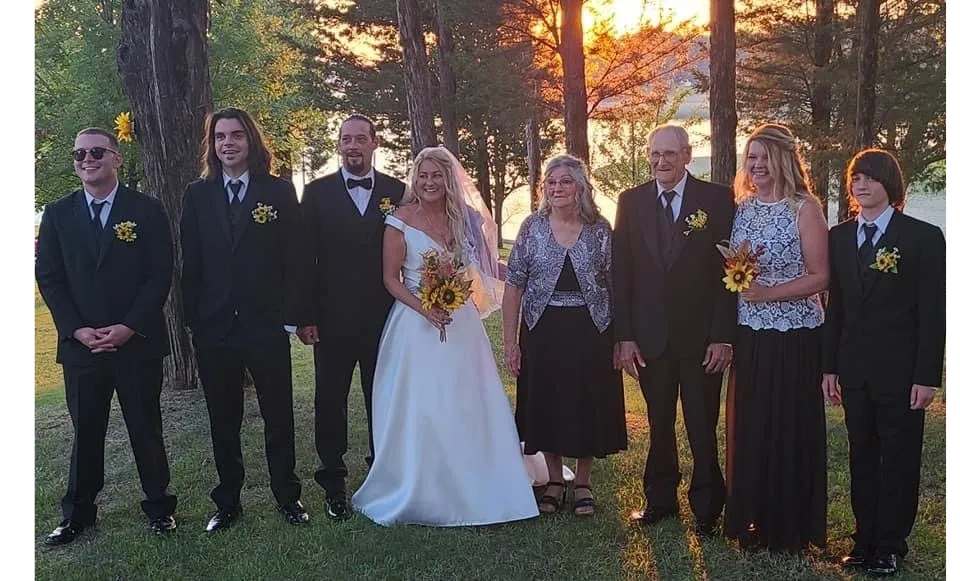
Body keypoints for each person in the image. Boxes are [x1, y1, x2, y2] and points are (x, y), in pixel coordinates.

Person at [351, 146, 539, 526]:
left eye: (437, 175)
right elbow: (391, 278)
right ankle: (424, 482)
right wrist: (425, 307)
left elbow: (480, 267)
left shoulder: (464, 219)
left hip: (461, 322)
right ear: (414, 180)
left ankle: (479, 474)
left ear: (448, 179)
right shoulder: (399, 221)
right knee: (425, 401)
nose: (429, 183)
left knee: (468, 397)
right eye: (423, 176)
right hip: (415, 324)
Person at [35, 127, 178, 544]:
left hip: (136, 342)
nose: (87, 160)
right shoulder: (58, 214)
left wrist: (128, 326)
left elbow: (159, 275)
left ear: (116, 158)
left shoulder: (147, 210)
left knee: (145, 427)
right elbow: (50, 278)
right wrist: (77, 329)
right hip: (82, 347)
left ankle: (158, 508)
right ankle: (77, 514)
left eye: (96, 152)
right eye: (79, 155)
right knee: (87, 430)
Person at [180, 107, 308, 533]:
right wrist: (194, 320)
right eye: (220, 137)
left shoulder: (278, 191)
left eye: (236, 135)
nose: (228, 143)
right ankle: (228, 501)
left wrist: (292, 318)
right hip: (215, 329)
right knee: (223, 419)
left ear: (251, 141)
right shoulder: (197, 195)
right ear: (212, 145)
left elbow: (295, 260)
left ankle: (288, 496)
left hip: (265, 325)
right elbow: (191, 263)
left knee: (278, 416)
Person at [822, 149, 946, 575]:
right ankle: (864, 539)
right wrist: (829, 367)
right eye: (856, 177)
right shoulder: (838, 237)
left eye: (871, 178)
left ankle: (891, 544)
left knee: (899, 457)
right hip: (854, 371)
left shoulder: (923, 238)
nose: (862, 184)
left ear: (890, 185)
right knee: (861, 455)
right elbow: (834, 308)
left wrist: (927, 377)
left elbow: (933, 314)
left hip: (902, 373)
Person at [612, 123, 735, 536]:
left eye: (669, 154)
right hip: (650, 338)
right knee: (659, 421)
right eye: (654, 154)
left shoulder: (716, 199)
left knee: (702, 425)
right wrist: (624, 336)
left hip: (701, 339)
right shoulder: (630, 202)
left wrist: (723, 335)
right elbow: (622, 273)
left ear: (686, 154)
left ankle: (707, 508)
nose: (660, 162)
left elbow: (728, 274)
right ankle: (659, 500)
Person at [722, 123, 830, 553]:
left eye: (765, 157)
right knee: (752, 424)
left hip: (795, 334)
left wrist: (769, 293)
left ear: (784, 159)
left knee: (788, 424)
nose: (757, 165)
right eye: (752, 157)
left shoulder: (805, 208)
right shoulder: (743, 207)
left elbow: (820, 276)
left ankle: (790, 526)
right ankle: (753, 518)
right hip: (751, 333)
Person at [502, 154, 627, 517]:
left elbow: (616, 287)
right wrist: (511, 342)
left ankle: (584, 481)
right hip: (543, 331)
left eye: (565, 181)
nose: (557, 188)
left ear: (581, 188)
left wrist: (621, 338)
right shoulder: (531, 228)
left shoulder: (601, 229)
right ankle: (555, 480)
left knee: (588, 401)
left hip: (591, 331)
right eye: (550, 182)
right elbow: (514, 287)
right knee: (547, 402)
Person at [297, 114, 406, 520]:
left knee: (383, 399)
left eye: (361, 138)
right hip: (330, 319)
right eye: (346, 139)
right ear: (338, 145)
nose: (353, 146)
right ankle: (333, 484)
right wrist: (305, 315)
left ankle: (384, 472)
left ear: (375, 143)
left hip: (386, 319)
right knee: (330, 401)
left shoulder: (397, 190)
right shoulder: (316, 192)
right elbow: (303, 259)